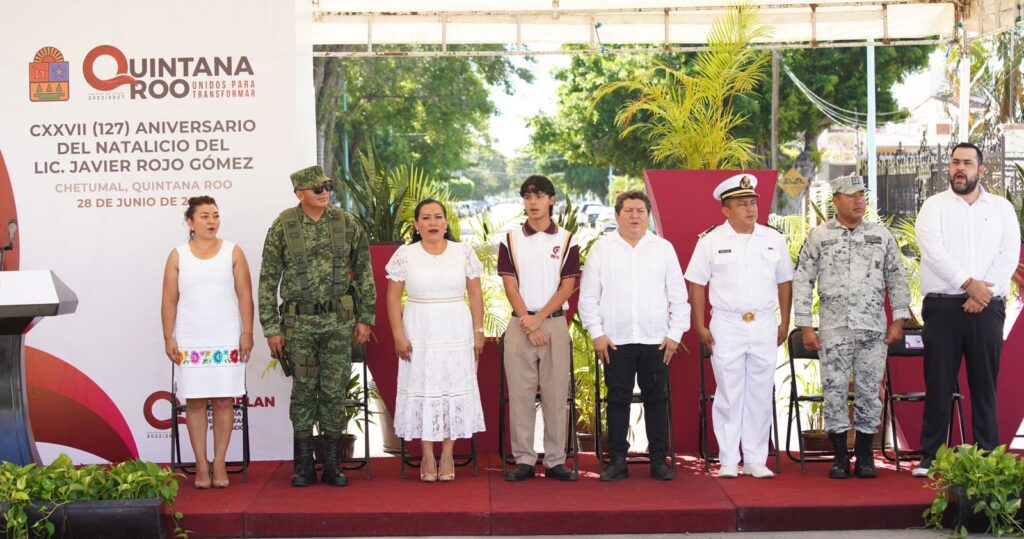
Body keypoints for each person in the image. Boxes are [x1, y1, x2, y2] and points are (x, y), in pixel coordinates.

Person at [258, 165, 376, 487]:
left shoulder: (347, 223)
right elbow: (268, 279)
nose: (325, 192)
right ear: (300, 194)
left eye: (327, 187)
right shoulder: (283, 225)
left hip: (339, 323)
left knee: (334, 391)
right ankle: (303, 466)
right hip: (300, 325)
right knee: (304, 392)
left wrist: (366, 317)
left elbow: (364, 272)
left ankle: (334, 466)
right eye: (317, 188)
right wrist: (271, 327)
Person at [912, 142, 1021, 477]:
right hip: (943, 306)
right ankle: (931, 457)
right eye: (955, 162)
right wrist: (967, 284)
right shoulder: (934, 206)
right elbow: (932, 251)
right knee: (939, 382)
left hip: (987, 307)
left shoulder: (1001, 208)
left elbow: (1009, 252)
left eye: (968, 163)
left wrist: (981, 292)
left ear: (981, 170)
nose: (960, 168)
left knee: (984, 384)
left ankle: (987, 457)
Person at [794, 173, 911, 479]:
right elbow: (803, 281)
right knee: (833, 391)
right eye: (851, 195)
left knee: (869, 391)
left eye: (862, 194)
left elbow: (897, 278)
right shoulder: (820, 236)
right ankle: (840, 457)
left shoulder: (881, 236)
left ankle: (865, 456)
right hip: (834, 329)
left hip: (872, 329)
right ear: (836, 200)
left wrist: (899, 320)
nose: (859, 200)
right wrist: (805, 325)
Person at [685, 174, 794, 479]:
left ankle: (757, 458)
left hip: (762, 322)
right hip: (727, 323)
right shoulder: (711, 241)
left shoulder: (773, 239)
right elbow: (696, 283)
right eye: (742, 204)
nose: (750, 209)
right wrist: (699, 324)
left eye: (752, 203)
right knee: (730, 392)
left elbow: (785, 281)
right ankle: (729, 458)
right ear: (726, 210)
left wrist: (785, 320)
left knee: (760, 390)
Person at [579, 190, 689, 482]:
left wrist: (675, 333)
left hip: (657, 340)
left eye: (640, 210)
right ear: (617, 215)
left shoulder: (663, 248)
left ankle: (658, 461)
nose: (634, 215)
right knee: (617, 400)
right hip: (615, 340)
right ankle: (617, 460)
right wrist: (597, 333)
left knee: (656, 399)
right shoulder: (602, 249)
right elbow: (588, 296)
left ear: (648, 214)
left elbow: (679, 295)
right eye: (628, 210)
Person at [385, 199, 486, 482]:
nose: (432, 223)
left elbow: (476, 295)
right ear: (416, 225)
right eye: (426, 218)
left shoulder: (463, 252)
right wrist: (397, 334)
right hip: (419, 328)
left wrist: (478, 331)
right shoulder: (405, 254)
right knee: (423, 385)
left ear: (446, 223)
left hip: (456, 328)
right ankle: (427, 454)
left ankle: (448, 453)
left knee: (451, 386)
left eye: (438, 217)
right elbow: (392, 297)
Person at [161, 196, 254, 489]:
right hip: (191, 338)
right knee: (196, 401)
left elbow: (244, 295)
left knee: (225, 400)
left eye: (215, 215)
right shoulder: (178, 255)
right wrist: (168, 337)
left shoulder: (233, 251)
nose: (211, 221)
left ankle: (220, 462)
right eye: (204, 216)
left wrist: (247, 332)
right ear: (190, 222)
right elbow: (169, 300)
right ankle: (201, 463)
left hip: (226, 336)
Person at [499, 175, 581, 482]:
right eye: (527, 197)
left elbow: (568, 286)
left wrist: (540, 318)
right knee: (519, 395)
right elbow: (510, 287)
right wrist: (528, 320)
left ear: (551, 200)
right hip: (520, 323)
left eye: (539, 196)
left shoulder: (567, 238)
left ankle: (556, 460)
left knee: (556, 393)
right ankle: (523, 459)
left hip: (555, 323)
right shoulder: (510, 239)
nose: (533, 203)